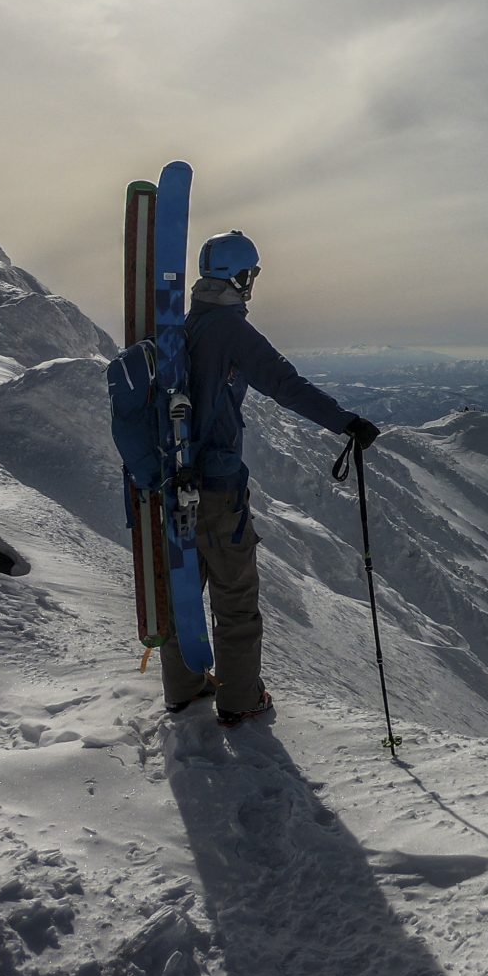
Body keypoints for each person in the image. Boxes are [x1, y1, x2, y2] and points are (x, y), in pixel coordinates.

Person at [161, 229, 382, 726]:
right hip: (217, 485)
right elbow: (285, 383)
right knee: (234, 597)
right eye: (252, 273)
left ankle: (184, 686)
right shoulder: (230, 329)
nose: (252, 282)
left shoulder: (185, 323)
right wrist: (347, 423)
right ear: (240, 276)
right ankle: (240, 700)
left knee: (183, 589)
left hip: (174, 480)